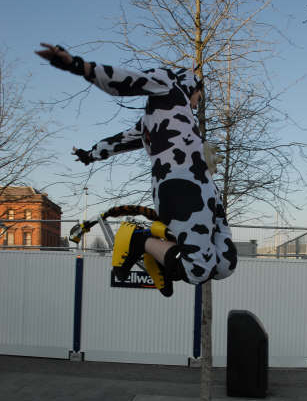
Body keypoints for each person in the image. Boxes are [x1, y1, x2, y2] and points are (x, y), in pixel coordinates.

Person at [36, 43, 237, 285]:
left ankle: (158, 249)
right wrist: (80, 66)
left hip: (207, 192)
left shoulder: (166, 118)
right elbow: (129, 80)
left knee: (225, 264)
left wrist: (91, 154)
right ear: (194, 86)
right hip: (181, 187)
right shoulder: (168, 85)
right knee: (198, 271)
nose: (196, 104)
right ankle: (138, 239)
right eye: (198, 98)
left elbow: (119, 141)